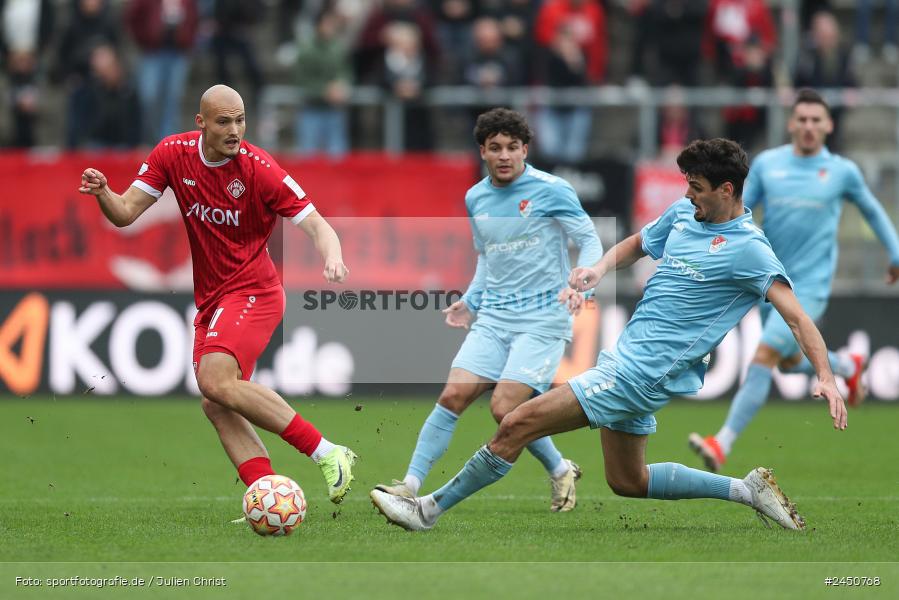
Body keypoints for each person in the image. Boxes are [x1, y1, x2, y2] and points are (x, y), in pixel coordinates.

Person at [370, 137, 848, 532]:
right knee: (628, 480)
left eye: (697, 188)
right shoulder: (684, 217)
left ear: (727, 190)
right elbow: (640, 243)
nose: (687, 196)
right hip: (629, 361)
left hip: (641, 375)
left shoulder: (751, 252)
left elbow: (797, 318)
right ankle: (747, 489)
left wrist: (825, 375)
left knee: (515, 423)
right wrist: (598, 268)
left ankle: (425, 510)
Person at [78, 84, 357, 504]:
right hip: (212, 299)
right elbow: (124, 213)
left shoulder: (259, 169)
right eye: (224, 121)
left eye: (241, 120)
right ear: (201, 122)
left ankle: (328, 452)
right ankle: (268, 496)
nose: (235, 130)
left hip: (254, 291)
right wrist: (103, 193)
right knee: (216, 401)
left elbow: (317, 224)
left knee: (215, 380)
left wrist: (333, 256)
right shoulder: (172, 155)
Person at [374, 108, 603, 512]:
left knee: (504, 408)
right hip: (494, 318)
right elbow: (487, 257)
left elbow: (589, 240)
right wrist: (471, 301)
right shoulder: (475, 197)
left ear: (525, 150)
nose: (504, 156)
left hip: (543, 318)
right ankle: (409, 485)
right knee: (452, 397)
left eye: (512, 147)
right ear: (482, 151)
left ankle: (558, 467)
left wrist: (582, 279)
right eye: (495, 148)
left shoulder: (552, 189)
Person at [689, 89, 899, 472]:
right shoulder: (769, 165)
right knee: (787, 363)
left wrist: (896, 253)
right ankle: (847, 366)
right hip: (771, 280)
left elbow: (873, 211)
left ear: (828, 125)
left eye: (816, 120)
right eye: (801, 119)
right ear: (790, 123)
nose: (808, 126)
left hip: (812, 286)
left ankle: (722, 443)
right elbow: (741, 211)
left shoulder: (842, 172)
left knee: (765, 355)